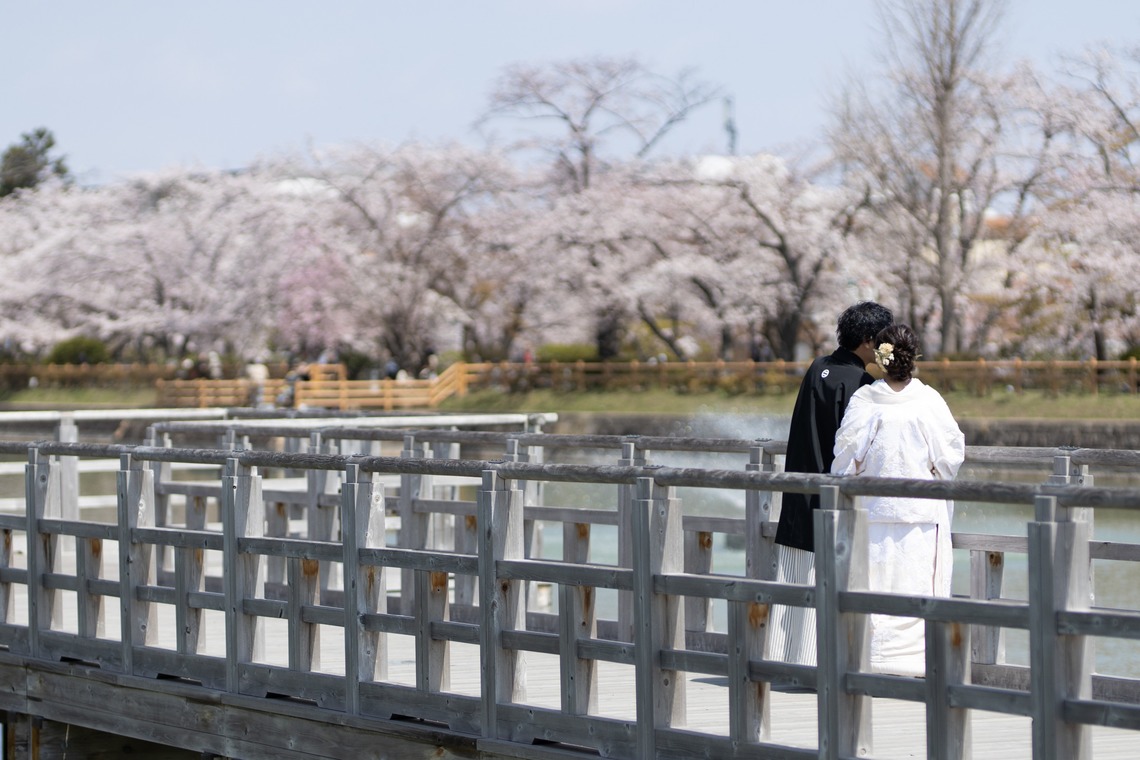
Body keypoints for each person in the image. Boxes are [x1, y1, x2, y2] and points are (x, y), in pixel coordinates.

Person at [831, 323, 965, 676]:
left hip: (875, 510)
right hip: (922, 510)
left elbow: (845, 454)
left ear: (880, 356)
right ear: (913, 356)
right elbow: (950, 455)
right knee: (920, 583)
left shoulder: (867, 400)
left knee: (876, 584)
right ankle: (919, 661)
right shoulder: (928, 400)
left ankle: (875, 660)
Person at [768, 300, 894, 667]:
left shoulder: (818, 367)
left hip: (800, 485)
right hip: (834, 497)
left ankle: (787, 660)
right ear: (870, 340)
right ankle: (823, 663)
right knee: (829, 580)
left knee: (796, 578)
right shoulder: (863, 384)